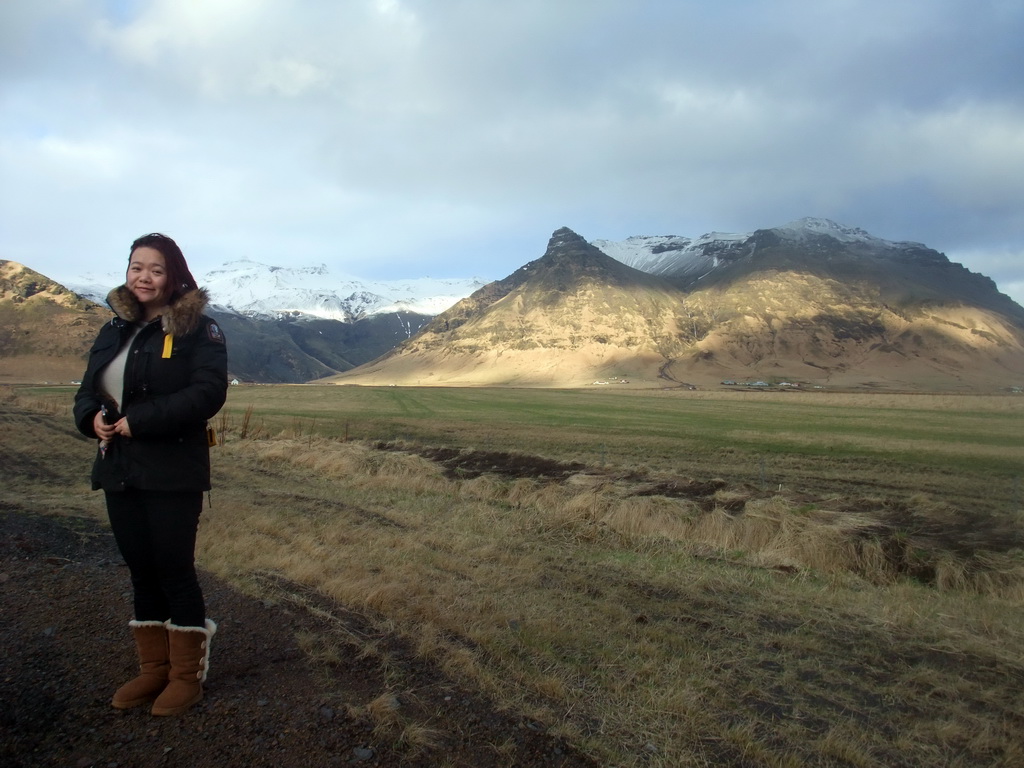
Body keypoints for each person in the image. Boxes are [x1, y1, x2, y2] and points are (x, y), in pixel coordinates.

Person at [73, 233, 228, 716]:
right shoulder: (112, 330)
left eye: (155, 269)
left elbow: (208, 394)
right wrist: (91, 418)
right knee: (140, 568)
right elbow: (87, 392)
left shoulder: (199, 330)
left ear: (174, 276)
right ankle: (152, 671)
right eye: (136, 266)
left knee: (173, 569)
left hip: (172, 469)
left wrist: (141, 419)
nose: (143, 277)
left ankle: (185, 677)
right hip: (118, 466)